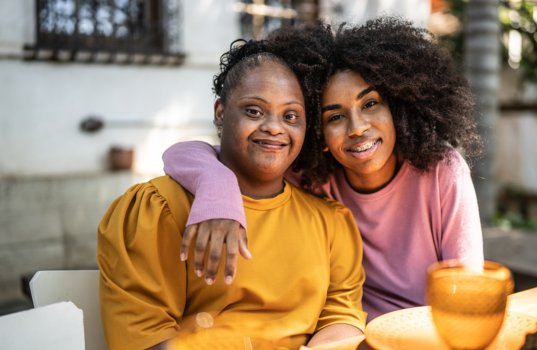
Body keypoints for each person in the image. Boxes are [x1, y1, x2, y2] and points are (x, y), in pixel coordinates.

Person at [163, 17, 485, 323]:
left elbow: (466, 287)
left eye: (370, 104)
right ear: (319, 134)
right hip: (346, 334)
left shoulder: (441, 171)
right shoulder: (312, 177)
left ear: (398, 107)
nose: (357, 128)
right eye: (335, 117)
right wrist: (217, 187)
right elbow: (185, 154)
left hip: (430, 332)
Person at [97, 39, 366, 350]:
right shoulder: (159, 209)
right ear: (221, 113)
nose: (274, 127)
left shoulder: (330, 222)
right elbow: (145, 336)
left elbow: (341, 317)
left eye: (291, 116)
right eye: (254, 111)